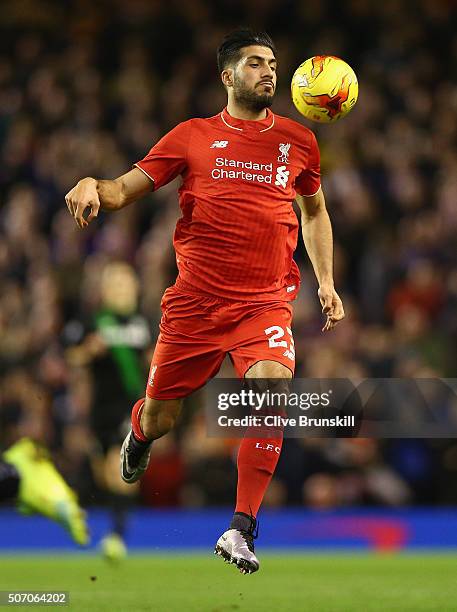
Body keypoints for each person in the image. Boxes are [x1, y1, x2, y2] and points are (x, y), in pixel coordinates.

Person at [65, 28, 345, 574]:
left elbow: (314, 211)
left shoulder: (298, 141)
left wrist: (326, 281)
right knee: (162, 416)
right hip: (194, 307)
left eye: (272, 63)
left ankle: (241, 528)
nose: (269, 71)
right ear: (228, 76)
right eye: (255, 63)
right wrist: (92, 184)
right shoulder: (192, 136)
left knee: (270, 389)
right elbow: (123, 189)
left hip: (264, 303)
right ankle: (140, 433)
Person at [65, 261, 150, 560]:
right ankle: (115, 526)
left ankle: (117, 537)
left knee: (118, 470)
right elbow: (71, 355)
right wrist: (88, 351)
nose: (122, 290)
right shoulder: (94, 321)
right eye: (115, 284)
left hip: (131, 407)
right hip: (99, 409)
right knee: (104, 475)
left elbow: (158, 360)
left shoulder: (145, 322)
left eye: (126, 284)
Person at [0, 438, 89, 546]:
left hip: (25, 481)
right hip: (21, 472)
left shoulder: (53, 489)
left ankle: (68, 511)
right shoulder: (25, 452)